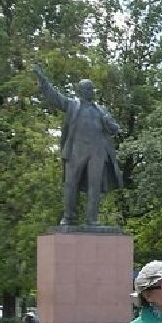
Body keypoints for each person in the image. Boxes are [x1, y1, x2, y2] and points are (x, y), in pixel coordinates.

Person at [34, 64, 122, 227]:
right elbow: (55, 97)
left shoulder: (101, 110)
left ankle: (92, 219)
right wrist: (43, 80)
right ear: (81, 91)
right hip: (76, 151)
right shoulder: (73, 105)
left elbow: (114, 129)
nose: (92, 92)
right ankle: (69, 217)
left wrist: (111, 124)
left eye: (93, 89)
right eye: (89, 89)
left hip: (97, 152)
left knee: (95, 186)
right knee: (71, 183)